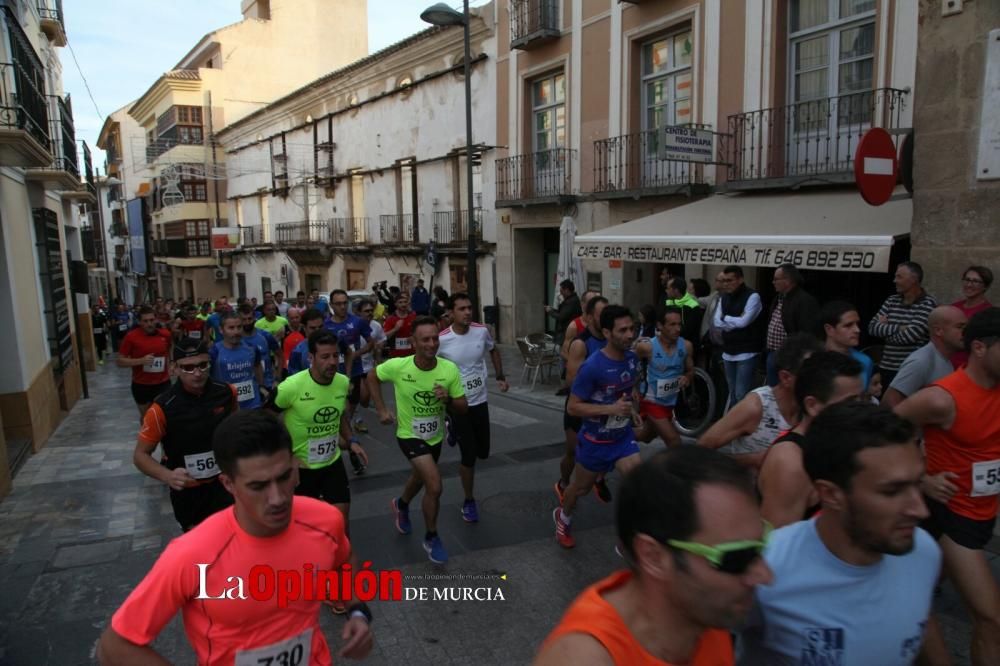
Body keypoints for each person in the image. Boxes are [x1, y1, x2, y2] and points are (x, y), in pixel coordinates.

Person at [96, 410, 373, 665]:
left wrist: (357, 611)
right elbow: (115, 645)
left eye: (284, 477)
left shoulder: (324, 520)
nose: (277, 498)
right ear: (228, 484)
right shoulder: (193, 554)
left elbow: (343, 560)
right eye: (258, 486)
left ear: (295, 467)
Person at [739, 401, 942, 665]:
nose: (920, 510)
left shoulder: (923, 551)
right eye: (892, 491)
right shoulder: (766, 570)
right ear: (831, 494)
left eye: (918, 484)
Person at [535, 447, 771, 664]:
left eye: (762, 546)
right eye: (737, 558)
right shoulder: (583, 658)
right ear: (653, 557)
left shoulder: (706, 613)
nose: (765, 575)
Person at [895, 308, 1000, 666]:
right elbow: (884, 429)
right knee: (990, 618)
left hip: (983, 512)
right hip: (952, 516)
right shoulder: (943, 397)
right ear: (980, 349)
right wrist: (920, 477)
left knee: (915, 601)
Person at [369, 316, 468, 564]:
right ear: (414, 342)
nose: (432, 344)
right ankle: (432, 538)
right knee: (434, 485)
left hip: (434, 437)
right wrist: (381, 409)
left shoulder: (448, 369)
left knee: (420, 477)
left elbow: (463, 407)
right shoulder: (399, 366)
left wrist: (447, 399)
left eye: (435, 338)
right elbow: (372, 376)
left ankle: (401, 504)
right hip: (408, 435)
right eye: (425, 339)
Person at [270, 330, 368, 560]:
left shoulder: (342, 382)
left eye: (335, 356)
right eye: (325, 357)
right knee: (302, 531)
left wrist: (351, 440)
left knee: (342, 525)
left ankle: (344, 580)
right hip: (301, 471)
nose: (332, 362)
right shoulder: (291, 387)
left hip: (332, 463)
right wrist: (286, 455)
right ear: (311, 358)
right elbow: (265, 418)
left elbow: (340, 415)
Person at [554, 305, 642, 549]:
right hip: (595, 442)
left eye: (632, 328)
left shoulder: (633, 360)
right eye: (622, 330)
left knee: (639, 482)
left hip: (622, 438)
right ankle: (563, 518)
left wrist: (631, 411)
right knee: (579, 489)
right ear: (607, 332)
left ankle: (629, 538)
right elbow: (573, 407)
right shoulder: (592, 366)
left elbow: (626, 392)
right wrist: (610, 410)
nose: (629, 335)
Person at [133, 338, 237, 531]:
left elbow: (235, 432)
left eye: (203, 365)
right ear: (174, 369)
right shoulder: (161, 408)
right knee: (200, 550)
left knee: (231, 541)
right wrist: (168, 476)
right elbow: (140, 455)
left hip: (225, 485)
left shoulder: (227, 393)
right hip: (189, 493)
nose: (197, 373)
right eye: (188, 368)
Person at [756, 351, 865, 527]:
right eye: (850, 403)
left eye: (862, 400)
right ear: (812, 405)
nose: (860, 410)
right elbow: (776, 545)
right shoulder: (791, 463)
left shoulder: (842, 443)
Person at [699, 333, 820, 469]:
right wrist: (752, 460)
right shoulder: (756, 406)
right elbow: (700, 450)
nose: (819, 381)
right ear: (786, 377)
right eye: (810, 374)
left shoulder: (813, 410)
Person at [437, 292, 509, 523]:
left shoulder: (481, 330)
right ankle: (469, 500)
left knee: (483, 452)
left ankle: (452, 428)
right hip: (458, 404)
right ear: (451, 313)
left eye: (469, 307)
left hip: (479, 399)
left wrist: (499, 375)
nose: (467, 312)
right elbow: (429, 363)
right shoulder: (442, 339)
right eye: (461, 309)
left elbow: (493, 349)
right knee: (469, 456)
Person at [555, 296, 613, 504]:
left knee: (606, 446)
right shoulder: (581, 343)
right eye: (601, 315)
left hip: (604, 407)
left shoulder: (612, 338)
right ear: (588, 317)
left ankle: (599, 478)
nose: (607, 318)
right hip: (579, 406)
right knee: (572, 452)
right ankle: (563, 483)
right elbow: (572, 381)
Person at [325, 289, 374, 475]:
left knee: (347, 414)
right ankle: (351, 451)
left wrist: (355, 355)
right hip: (331, 376)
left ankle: (348, 442)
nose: (342, 306)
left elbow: (371, 343)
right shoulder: (326, 325)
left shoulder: (357, 321)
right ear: (331, 305)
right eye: (338, 303)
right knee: (343, 414)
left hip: (353, 373)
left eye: (345, 302)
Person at [867, 261, 937, 388]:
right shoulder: (891, 300)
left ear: (914, 280)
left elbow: (909, 337)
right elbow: (872, 328)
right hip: (885, 368)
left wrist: (884, 331)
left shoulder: (927, 304)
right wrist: (899, 328)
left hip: (910, 371)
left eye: (899, 277)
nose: (894, 280)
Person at [882, 305, 967, 408]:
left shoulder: (945, 360)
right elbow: (889, 401)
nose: (965, 332)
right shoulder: (921, 361)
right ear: (938, 330)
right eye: (959, 327)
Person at [634, 307, 694, 449]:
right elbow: (629, 365)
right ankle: (674, 471)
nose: (677, 329)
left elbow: (691, 371)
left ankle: (618, 437)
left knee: (646, 436)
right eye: (672, 325)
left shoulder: (686, 346)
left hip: (669, 401)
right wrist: (632, 388)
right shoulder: (647, 347)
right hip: (651, 400)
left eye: (679, 324)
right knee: (674, 441)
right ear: (660, 326)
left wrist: (687, 377)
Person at [715, 265, 765, 407]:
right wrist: (732, 320)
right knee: (732, 393)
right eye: (724, 281)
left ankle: (741, 426)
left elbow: (744, 322)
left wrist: (726, 318)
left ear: (740, 279)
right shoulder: (723, 298)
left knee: (741, 393)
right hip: (728, 351)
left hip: (747, 352)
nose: (726, 284)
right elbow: (716, 322)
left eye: (730, 280)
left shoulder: (753, 296)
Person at [765, 264, 819, 387]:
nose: (773, 282)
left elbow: (807, 333)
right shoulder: (779, 298)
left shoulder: (804, 301)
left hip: (790, 358)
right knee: (774, 392)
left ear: (788, 280)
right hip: (773, 354)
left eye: (776, 279)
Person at [117, 306, 174, 419]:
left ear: (156, 319)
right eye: (145, 321)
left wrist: (171, 362)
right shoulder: (131, 337)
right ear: (139, 322)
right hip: (141, 385)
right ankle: (147, 436)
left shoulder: (165, 334)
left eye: (152, 320)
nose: (149, 324)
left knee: (164, 415)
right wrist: (141, 361)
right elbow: (120, 361)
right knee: (147, 417)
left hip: (163, 383)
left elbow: (170, 347)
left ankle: (164, 437)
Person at [210, 311, 264, 410]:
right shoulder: (214, 352)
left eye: (239, 327)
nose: (236, 332)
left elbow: (257, 366)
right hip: (226, 405)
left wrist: (261, 386)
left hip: (252, 404)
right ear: (221, 330)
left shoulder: (251, 348)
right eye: (231, 328)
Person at [819, 300, 875, 391]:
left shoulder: (865, 361)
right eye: (848, 325)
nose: (857, 330)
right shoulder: (814, 361)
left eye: (857, 324)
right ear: (829, 329)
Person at [952, 265, 993, 368]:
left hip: (969, 368)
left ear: (985, 286)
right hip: (947, 365)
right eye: (967, 280)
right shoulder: (953, 308)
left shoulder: (988, 313)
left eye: (975, 281)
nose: (969, 284)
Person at [354, 297, 385, 426]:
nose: (369, 313)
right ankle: (356, 419)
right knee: (360, 395)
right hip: (355, 366)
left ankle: (356, 413)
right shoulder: (353, 325)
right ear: (359, 312)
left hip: (368, 366)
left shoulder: (376, 326)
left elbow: (381, 340)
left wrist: (379, 362)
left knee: (365, 399)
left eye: (371, 310)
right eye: (366, 311)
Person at [240, 304, 280, 399]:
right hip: (247, 387)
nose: (247, 322)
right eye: (244, 319)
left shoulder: (265, 336)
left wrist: (277, 378)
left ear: (254, 318)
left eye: (250, 319)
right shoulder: (236, 339)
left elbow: (280, 355)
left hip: (268, 384)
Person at [664, 276, 704, 352]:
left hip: (688, 347)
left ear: (676, 290)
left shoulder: (692, 305)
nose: (666, 291)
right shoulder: (668, 301)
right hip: (671, 345)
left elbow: (688, 330)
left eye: (668, 288)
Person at [287, 308, 326, 375]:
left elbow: (348, 353)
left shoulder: (334, 344)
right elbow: (294, 378)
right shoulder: (297, 352)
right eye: (313, 328)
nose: (317, 331)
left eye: (320, 327)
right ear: (304, 328)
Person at [546, 279, 583, 348]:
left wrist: (550, 312)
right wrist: (553, 310)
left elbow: (561, 316)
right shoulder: (571, 300)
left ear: (566, 290)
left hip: (567, 333)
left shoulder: (571, 302)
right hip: (566, 333)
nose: (560, 293)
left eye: (561, 291)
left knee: (564, 354)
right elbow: (563, 312)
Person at [383, 292, 417, 358]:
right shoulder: (391, 319)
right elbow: (384, 337)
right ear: (395, 304)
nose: (403, 304)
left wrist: (414, 337)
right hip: (395, 355)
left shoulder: (413, 316)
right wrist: (395, 329)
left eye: (405, 302)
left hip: (411, 354)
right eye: (400, 302)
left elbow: (418, 332)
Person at [281, 306, 305, 378]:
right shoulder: (283, 330)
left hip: (303, 364)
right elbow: (275, 346)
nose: (295, 320)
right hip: (287, 365)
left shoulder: (305, 328)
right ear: (288, 319)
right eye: (292, 318)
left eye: (297, 317)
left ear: (300, 317)